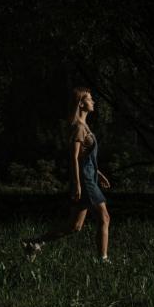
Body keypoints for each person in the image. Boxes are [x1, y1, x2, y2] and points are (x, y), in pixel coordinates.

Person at [22, 86, 112, 263]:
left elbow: (85, 157)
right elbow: (74, 158)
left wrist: (99, 173)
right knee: (105, 217)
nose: (93, 101)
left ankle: (34, 243)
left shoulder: (84, 126)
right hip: (86, 181)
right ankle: (103, 260)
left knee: (75, 226)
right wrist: (78, 184)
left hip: (90, 178)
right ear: (81, 104)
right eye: (90, 99)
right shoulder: (78, 128)